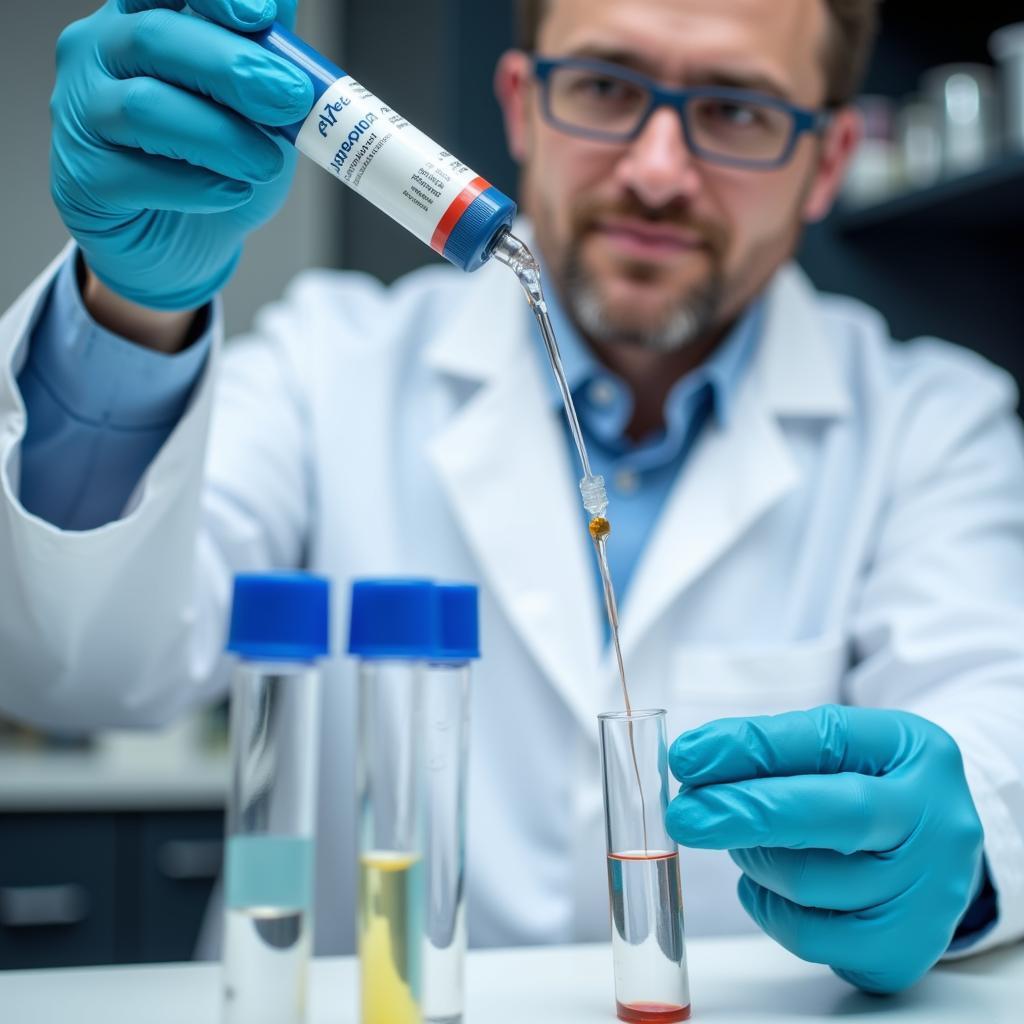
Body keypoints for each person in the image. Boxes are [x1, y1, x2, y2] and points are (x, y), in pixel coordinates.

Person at [1, 0, 1022, 994]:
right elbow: (78, 669)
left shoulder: (930, 424)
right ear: (522, 103)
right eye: (605, 88)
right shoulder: (331, 361)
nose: (658, 171)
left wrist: (954, 855)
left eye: (735, 112)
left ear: (828, 161)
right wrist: (130, 314)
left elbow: (993, 720)